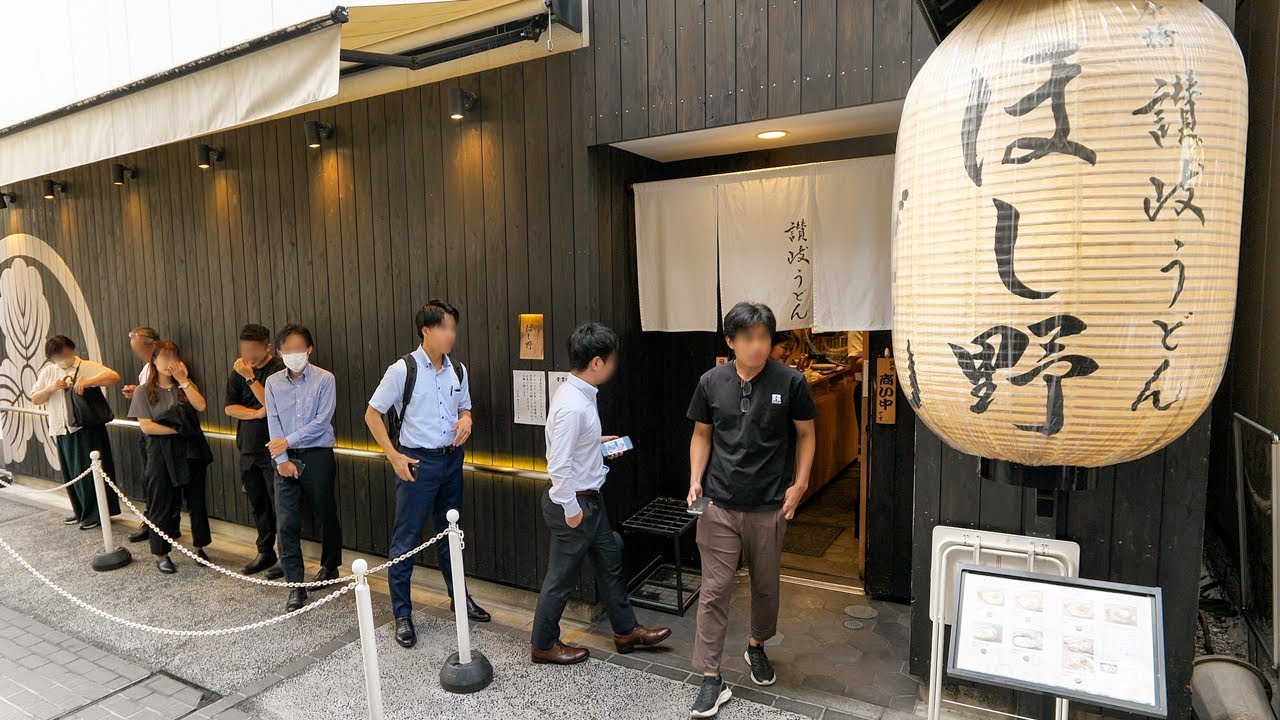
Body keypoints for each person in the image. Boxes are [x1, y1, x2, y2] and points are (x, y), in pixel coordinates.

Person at [686, 302, 817, 718]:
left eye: (764, 337)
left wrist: (801, 483)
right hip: (719, 503)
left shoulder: (791, 382)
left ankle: (756, 645)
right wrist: (695, 478)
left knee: (765, 587)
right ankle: (710, 677)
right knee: (714, 591)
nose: (758, 346)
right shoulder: (711, 382)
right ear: (731, 341)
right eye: (748, 339)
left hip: (769, 504)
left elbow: (806, 435)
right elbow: (701, 434)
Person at [531, 323, 670, 665]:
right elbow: (558, 465)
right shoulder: (572, 405)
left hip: (592, 501)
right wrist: (571, 508)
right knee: (561, 579)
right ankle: (543, 644)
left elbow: (574, 450)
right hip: (576, 504)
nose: (614, 364)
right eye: (611, 359)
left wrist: (598, 445)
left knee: (610, 564)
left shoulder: (581, 396)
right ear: (596, 362)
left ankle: (626, 631)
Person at [365, 299, 489, 650]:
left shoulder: (458, 370)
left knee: (451, 533)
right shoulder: (403, 369)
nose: (451, 334)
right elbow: (372, 414)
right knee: (405, 541)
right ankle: (402, 614)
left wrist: (466, 420)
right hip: (416, 462)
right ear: (426, 330)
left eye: (453, 327)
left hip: (451, 461)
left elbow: (465, 407)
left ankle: (459, 599)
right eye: (445, 327)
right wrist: (393, 456)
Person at [265, 324, 343, 612]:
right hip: (284, 458)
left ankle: (330, 565)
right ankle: (295, 585)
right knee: (285, 521)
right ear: (279, 351)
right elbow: (273, 421)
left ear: (309, 349)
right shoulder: (273, 382)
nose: (294, 353)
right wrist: (281, 458)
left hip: (318, 454)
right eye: (288, 349)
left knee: (325, 512)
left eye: (300, 348)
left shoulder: (325, 379)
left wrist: (287, 441)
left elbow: (322, 422)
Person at [128, 340, 214, 575]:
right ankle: (161, 553)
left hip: (190, 451)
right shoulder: (143, 390)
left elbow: (201, 405)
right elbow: (147, 427)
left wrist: (184, 380)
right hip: (160, 452)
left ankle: (200, 547)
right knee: (161, 501)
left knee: (196, 500)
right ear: (153, 361)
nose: (169, 362)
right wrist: (179, 430)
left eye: (173, 357)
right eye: (163, 357)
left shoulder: (184, 386)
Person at [29, 336, 123, 530]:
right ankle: (80, 511)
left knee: (89, 473)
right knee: (72, 473)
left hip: (86, 428)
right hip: (61, 429)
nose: (63, 357)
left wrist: (87, 382)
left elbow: (113, 377)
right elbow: (35, 398)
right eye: (57, 354)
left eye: (65, 352)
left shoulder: (85, 366)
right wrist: (51, 388)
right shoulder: (49, 371)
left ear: (72, 349)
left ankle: (95, 514)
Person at [224, 324, 285, 579]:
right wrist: (255, 414)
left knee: (279, 503)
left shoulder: (278, 370)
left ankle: (285, 555)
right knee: (258, 502)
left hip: (273, 448)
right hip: (246, 447)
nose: (247, 353)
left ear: (267, 347)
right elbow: (229, 408)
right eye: (244, 348)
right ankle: (264, 551)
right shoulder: (239, 369)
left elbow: (273, 405)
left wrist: (250, 378)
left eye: (253, 349)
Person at [122, 326, 160, 543]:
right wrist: (136, 391)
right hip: (145, 430)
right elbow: (148, 393)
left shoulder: (165, 366)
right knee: (147, 479)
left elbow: (163, 397)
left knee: (155, 481)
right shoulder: (146, 368)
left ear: (152, 344)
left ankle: (158, 526)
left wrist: (140, 392)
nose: (137, 354)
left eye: (138, 349)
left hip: (158, 431)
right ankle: (150, 521)